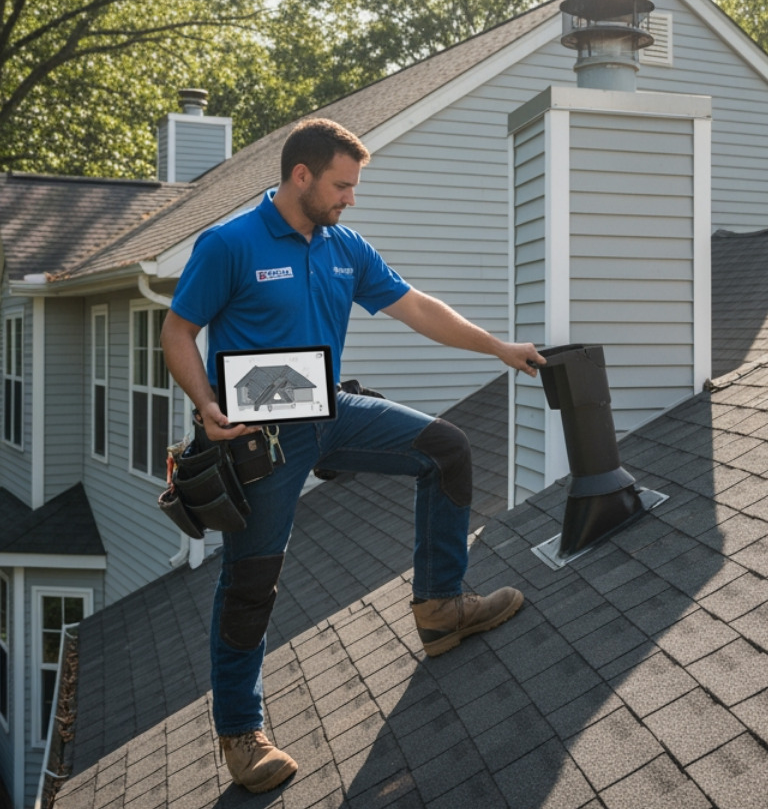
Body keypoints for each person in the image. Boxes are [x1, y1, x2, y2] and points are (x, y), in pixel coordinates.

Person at [161, 118, 543, 793]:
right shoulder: (230, 244)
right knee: (252, 581)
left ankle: (441, 607)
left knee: (446, 450)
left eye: (354, 187)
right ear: (301, 176)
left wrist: (498, 348)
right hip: (260, 430)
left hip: (329, 407)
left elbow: (418, 307)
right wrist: (205, 405)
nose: (351, 198)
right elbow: (178, 330)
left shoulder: (345, 246)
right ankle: (241, 732)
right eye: (342, 185)